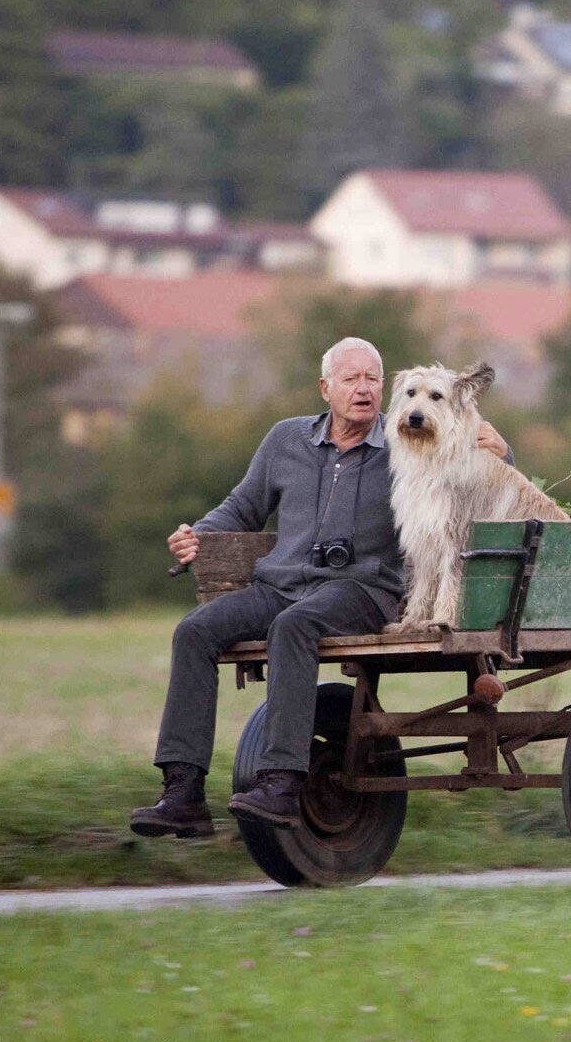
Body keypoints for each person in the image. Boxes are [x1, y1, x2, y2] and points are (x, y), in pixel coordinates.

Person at [128, 337, 511, 837]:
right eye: (351, 379)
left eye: (373, 379)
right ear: (325, 387)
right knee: (195, 631)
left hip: (361, 590)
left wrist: (502, 447)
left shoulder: (409, 437)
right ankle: (182, 792)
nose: (364, 389)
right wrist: (196, 534)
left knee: (295, 626)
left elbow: (476, 475)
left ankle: (282, 783)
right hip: (281, 584)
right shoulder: (286, 440)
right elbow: (243, 507)